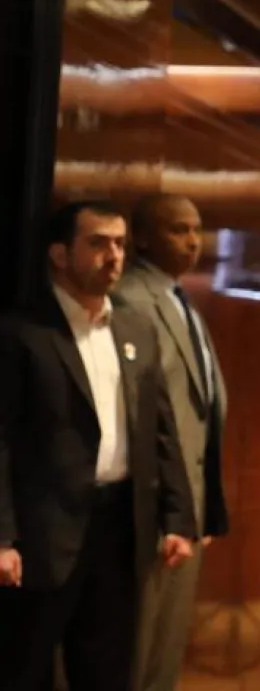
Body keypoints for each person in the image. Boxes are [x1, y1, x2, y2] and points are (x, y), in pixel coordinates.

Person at [0, 200, 197, 691]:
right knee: (23, 670)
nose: (113, 256)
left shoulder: (135, 328)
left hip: (119, 528)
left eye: (120, 244)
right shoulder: (22, 332)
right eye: (98, 243)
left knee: (108, 672)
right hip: (43, 534)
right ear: (60, 255)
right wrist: (1, 537)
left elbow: (161, 430)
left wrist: (178, 518)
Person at [118, 194, 230, 691]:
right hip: (154, 503)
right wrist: (172, 505)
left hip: (188, 501)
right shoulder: (130, 299)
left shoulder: (179, 300)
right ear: (142, 237)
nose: (192, 241)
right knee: (136, 646)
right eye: (177, 230)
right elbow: (146, 416)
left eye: (197, 229)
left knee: (166, 646)